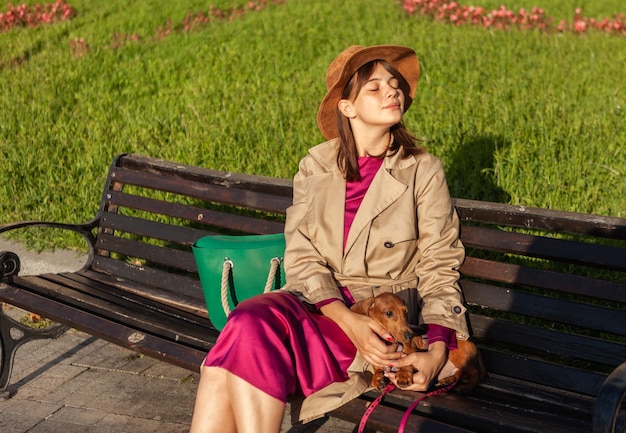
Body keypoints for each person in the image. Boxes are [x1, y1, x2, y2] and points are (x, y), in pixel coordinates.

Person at [189, 45, 470, 433]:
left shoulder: (421, 170)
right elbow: (302, 255)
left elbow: (440, 264)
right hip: (323, 308)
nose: (393, 92)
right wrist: (343, 318)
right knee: (248, 319)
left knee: (234, 346)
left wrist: (437, 351)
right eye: (374, 88)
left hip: (381, 325)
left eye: (395, 85)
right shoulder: (316, 166)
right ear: (347, 108)